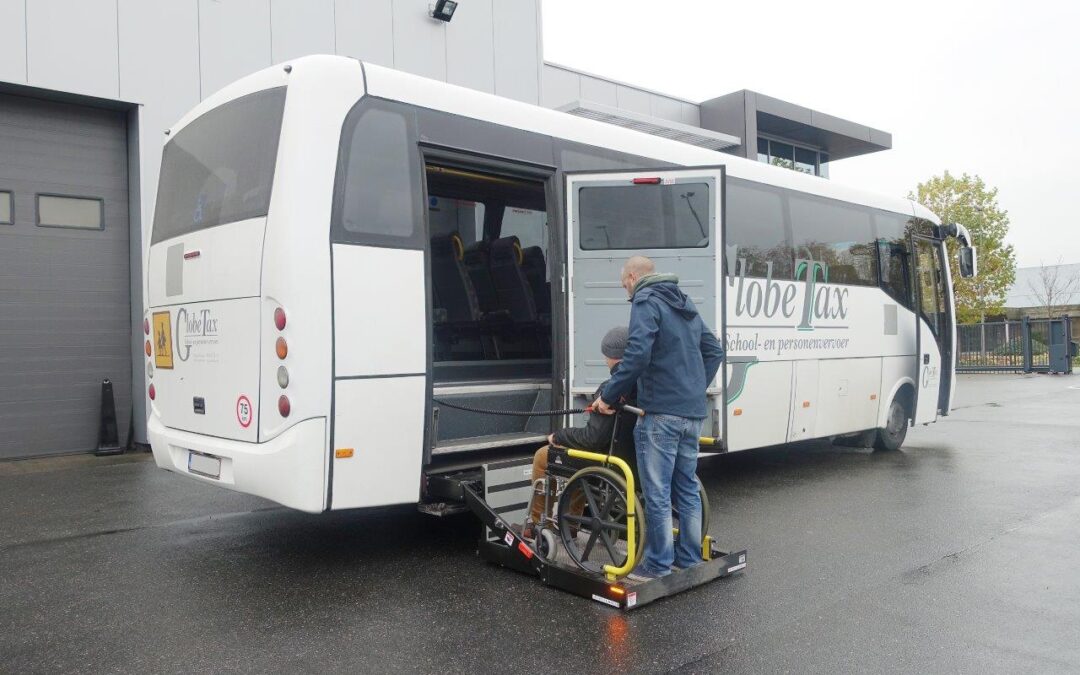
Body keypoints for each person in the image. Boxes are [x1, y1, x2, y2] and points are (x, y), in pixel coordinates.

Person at [593, 256, 724, 580]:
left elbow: (637, 354)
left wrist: (608, 396)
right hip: (692, 413)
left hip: (662, 415)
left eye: (624, 284)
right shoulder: (684, 303)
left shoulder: (646, 300)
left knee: (657, 492)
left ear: (632, 277)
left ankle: (658, 564)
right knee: (687, 488)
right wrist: (693, 390)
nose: (626, 290)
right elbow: (714, 351)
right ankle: (689, 558)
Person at [522, 326, 637, 538]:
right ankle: (571, 521)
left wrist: (559, 436)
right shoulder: (646, 384)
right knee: (577, 458)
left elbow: (592, 439)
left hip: (606, 462)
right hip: (632, 463)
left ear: (611, 356)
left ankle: (537, 523)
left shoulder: (611, 389)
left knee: (543, 456)